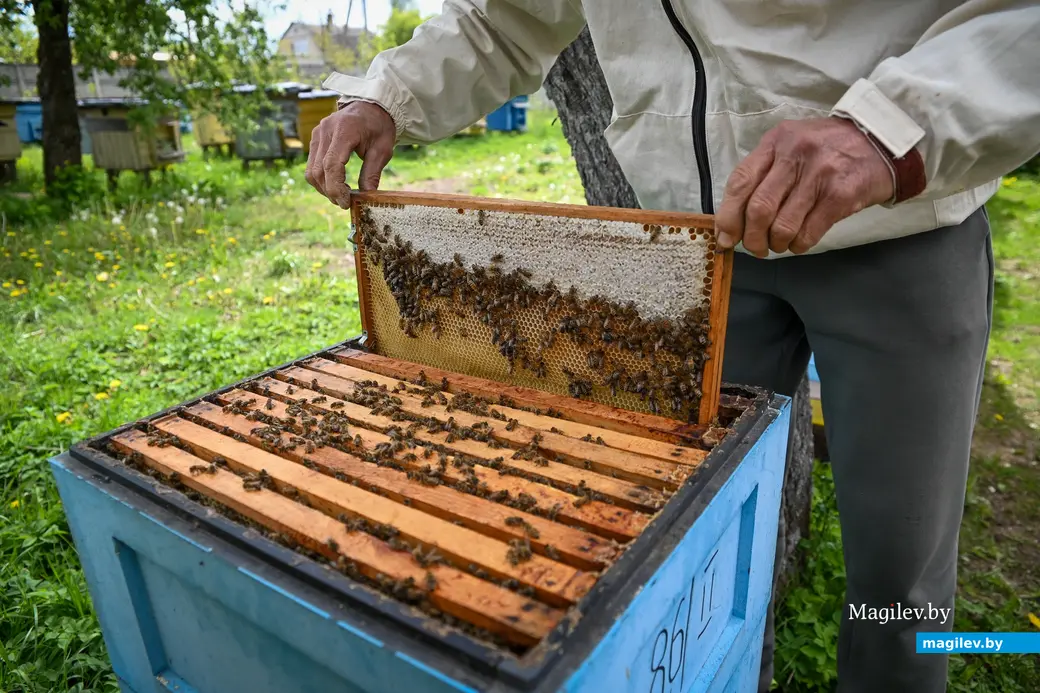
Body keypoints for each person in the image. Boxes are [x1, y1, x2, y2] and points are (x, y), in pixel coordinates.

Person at [304, 2, 1040, 691]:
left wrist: (894, 126)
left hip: (898, 223)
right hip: (699, 243)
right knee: (684, 536)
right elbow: (505, 17)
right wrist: (388, 94)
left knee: (900, 579)